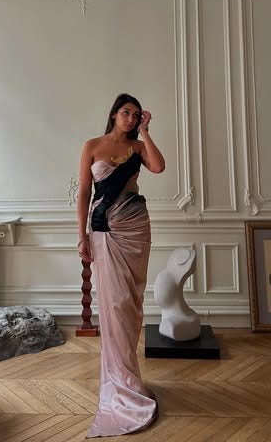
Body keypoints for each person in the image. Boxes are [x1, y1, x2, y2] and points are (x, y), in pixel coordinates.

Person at [77, 92, 165, 438]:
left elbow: (159, 167)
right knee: (113, 305)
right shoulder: (92, 146)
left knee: (131, 303)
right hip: (104, 229)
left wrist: (146, 132)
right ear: (114, 114)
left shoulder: (139, 147)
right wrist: (82, 235)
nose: (130, 118)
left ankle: (130, 377)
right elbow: (85, 193)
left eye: (136, 114)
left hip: (135, 228)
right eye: (126, 112)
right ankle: (119, 382)